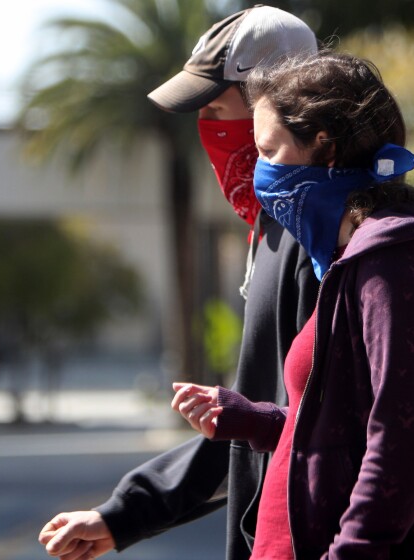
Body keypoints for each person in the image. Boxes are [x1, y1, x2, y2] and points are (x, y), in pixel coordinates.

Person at [172, 51, 414, 559]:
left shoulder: (391, 266)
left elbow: (400, 450)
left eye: (270, 150)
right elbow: (338, 433)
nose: (260, 171)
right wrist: (250, 418)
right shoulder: (350, 263)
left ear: (325, 147)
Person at [38, 6, 319, 560]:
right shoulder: (275, 225)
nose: (209, 128)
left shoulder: (318, 233)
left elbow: (317, 426)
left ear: (278, 100)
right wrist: (122, 516)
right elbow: (259, 424)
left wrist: (126, 513)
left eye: (218, 106)